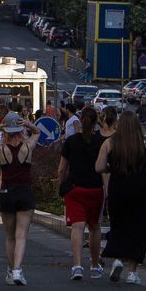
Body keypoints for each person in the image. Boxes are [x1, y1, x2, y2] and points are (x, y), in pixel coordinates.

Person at [98, 110, 146, 284]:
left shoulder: (110, 143)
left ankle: (118, 259)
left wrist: (112, 168)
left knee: (119, 224)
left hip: (117, 186)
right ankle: (133, 272)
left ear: (120, 125)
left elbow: (99, 167)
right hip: (139, 187)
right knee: (138, 228)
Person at [0, 113, 39, 286]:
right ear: (20, 130)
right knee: (21, 235)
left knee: (9, 236)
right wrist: (28, 124)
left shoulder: (1, 149)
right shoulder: (27, 147)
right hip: (25, 192)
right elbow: (38, 133)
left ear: (7, 131)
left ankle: (11, 270)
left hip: (6, 193)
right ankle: (18, 269)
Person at [57, 106, 104, 280]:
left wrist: (61, 186)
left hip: (74, 189)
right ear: (95, 123)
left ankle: (77, 266)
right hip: (96, 189)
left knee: (77, 227)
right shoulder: (100, 142)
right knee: (94, 227)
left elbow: (62, 169)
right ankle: (94, 265)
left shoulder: (71, 141)